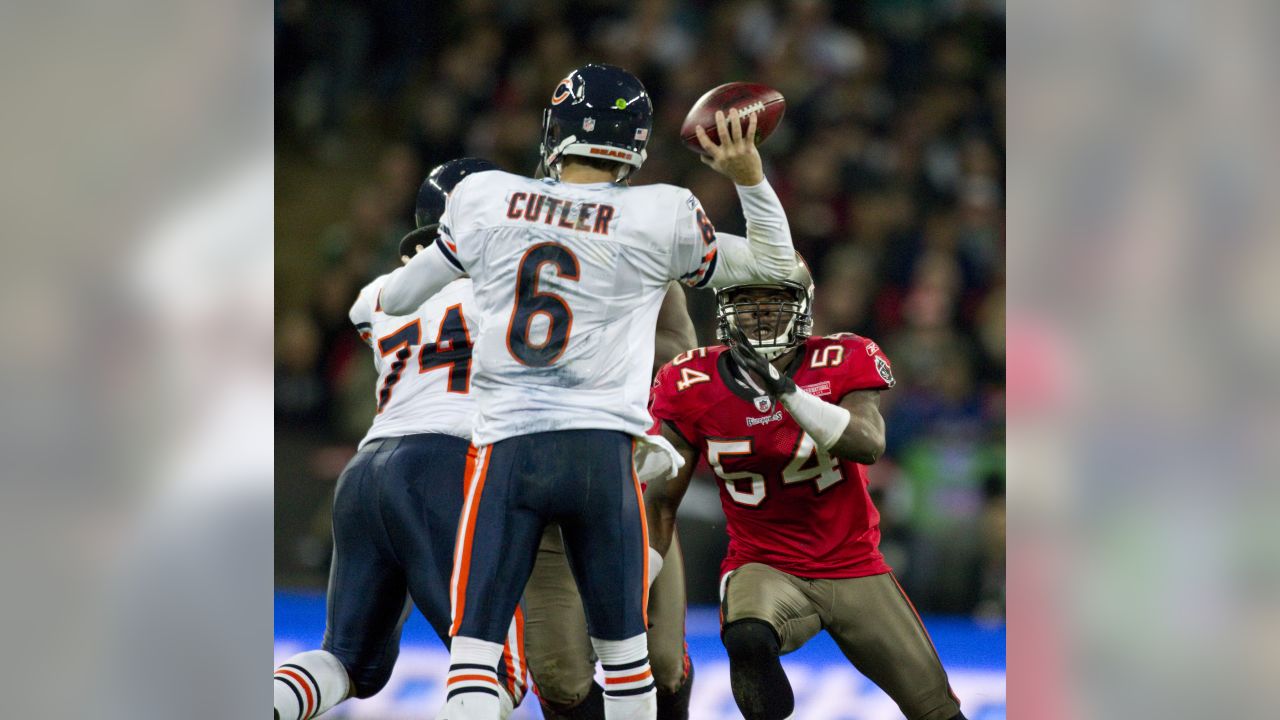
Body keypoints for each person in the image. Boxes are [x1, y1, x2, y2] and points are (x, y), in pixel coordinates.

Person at [378, 63, 796, 720]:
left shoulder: (487, 198)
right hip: (605, 458)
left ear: (556, 131)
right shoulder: (661, 214)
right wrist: (749, 177)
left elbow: (397, 299)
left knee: (477, 658)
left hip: (511, 453)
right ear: (633, 143)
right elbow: (778, 268)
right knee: (613, 665)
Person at [644, 258, 969, 720]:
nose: (760, 316)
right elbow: (659, 502)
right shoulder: (690, 381)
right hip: (764, 563)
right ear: (724, 309)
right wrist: (640, 580)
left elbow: (869, 443)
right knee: (747, 636)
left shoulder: (841, 357)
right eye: (746, 303)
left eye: (774, 303)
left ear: (801, 307)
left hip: (852, 563)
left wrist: (789, 393)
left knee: (936, 709)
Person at [272, 159, 530, 720]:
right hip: (447, 466)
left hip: (366, 472)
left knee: (347, 662)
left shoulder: (377, 294)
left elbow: (381, 314)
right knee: (496, 669)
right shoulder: (511, 288)